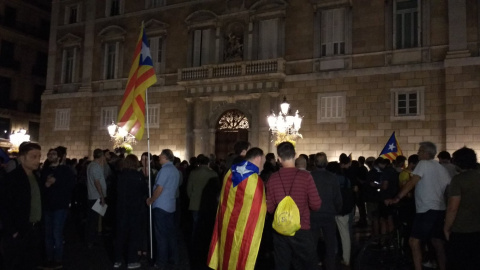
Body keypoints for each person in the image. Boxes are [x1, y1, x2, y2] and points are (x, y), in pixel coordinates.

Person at [386, 141, 451, 270]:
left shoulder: (423, 164)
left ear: (426, 153)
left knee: (414, 241)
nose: (418, 153)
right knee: (437, 242)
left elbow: (412, 182)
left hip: (426, 209)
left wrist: (397, 198)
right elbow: (448, 188)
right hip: (439, 208)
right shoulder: (440, 168)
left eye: (420, 151)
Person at [207, 147, 266, 270]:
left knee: (226, 254)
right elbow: (259, 211)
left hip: (227, 223)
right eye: (263, 162)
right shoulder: (255, 180)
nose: (264, 166)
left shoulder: (231, 172)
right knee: (241, 259)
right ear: (258, 158)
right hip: (243, 230)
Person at [266, 142, 321, 270]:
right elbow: (316, 205)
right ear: (295, 155)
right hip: (302, 228)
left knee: (282, 265)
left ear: (278, 158)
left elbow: (269, 208)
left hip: (280, 230)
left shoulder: (272, 178)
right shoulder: (306, 176)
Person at [1, 142, 43, 269]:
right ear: (22, 158)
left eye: (39, 156)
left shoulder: (35, 176)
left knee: (31, 262)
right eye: (33, 156)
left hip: (34, 229)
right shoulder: (12, 178)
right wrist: (13, 231)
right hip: (20, 230)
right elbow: (3, 207)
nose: (37, 160)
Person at [443, 147, 480, 269]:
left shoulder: (458, 180)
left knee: (459, 262)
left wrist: (447, 228)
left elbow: (452, 208)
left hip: (462, 229)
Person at [41, 146, 75, 269]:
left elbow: (71, 185)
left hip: (60, 206)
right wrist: (46, 184)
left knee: (57, 233)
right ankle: (49, 258)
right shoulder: (44, 170)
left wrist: (56, 182)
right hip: (48, 206)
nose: (51, 155)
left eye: (54, 154)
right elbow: (41, 188)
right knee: (48, 234)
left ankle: (58, 259)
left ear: (59, 157)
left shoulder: (65, 170)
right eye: (49, 154)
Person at [146, 149, 181, 269]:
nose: (159, 158)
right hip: (171, 205)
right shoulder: (175, 171)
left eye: (160, 156)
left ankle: (161, 262)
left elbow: (159, 188)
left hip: (161, 206)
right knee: (171, 234)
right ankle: (174, 258)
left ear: (166, 157)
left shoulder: (164, 170)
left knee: (161, 236)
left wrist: (151, 199)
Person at [113, 154, 147, 269]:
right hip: (135, 209)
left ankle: (117, 260)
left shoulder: (120, 175)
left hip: (121, 209)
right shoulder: (138, 176)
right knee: (133, 235)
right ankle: (131, 260)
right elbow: (144, 191)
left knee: (120, 235)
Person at [310, 153, 342, 270]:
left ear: (314, 163)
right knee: (330, 243)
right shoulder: (332, 178)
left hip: (313, 214)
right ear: (326, 163)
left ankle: (313, 265)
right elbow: (337, 197)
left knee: (312, 243)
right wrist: (338, 209)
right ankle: (330, 266)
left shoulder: (310, 176)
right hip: (329, 214)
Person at [86, 148, 108, 248]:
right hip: (96, 196)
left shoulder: (92, 165)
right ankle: (92, 239)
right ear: (101, 156)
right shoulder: (95, 167)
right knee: (94, 219)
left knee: (94, 218)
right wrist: (102, 196)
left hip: (94, 195)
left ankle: (93, 237)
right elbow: (97, 182)